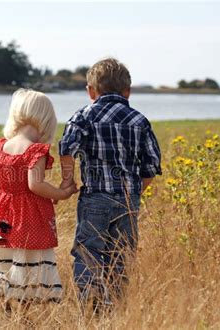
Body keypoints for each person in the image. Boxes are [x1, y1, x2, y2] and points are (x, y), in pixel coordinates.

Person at [58, 58, 162, 309]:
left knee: (88, 252)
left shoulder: (83, 116)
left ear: (91, 91)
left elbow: (66, 149)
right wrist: (133, 193)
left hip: (95, 198)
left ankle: (90, 306)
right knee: (121, 254)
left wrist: (66, 181)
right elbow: (151, 166)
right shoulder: (140, 121)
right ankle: (115, 305)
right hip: (128, 202)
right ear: (128, 91)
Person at [0, 88, 77, 313]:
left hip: (0, 218)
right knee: (28, 267)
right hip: (30, 220)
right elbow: (36, 185)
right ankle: (22, 316)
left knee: (3, 263)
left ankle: (5, 309)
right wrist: (63, 193)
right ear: (47, 120)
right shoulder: (36, 151)